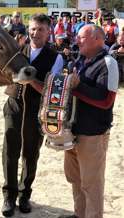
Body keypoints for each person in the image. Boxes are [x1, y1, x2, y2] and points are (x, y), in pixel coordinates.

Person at [2, 13, 64, 217]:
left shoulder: (56, 57)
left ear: (48, 32)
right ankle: (9, 196)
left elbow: (52, 91)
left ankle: (24, 194)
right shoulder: (17, 50)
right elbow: (3, 73)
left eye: (40, 29)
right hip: (14, 106)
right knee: (10, 152)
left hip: (37, 111)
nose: (35, 33)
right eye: (33, 28)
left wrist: (31, 81)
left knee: (30, 154)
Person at [60, 24, 119, 218]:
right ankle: (79, 215)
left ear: (97, 39)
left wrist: (77, 87)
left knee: (92, 185)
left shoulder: (109, 63)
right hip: (72, 131)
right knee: (76, 180)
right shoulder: (78, 61)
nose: (77, 40)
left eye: (81, 37)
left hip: (93, 134)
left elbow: (105, 100)